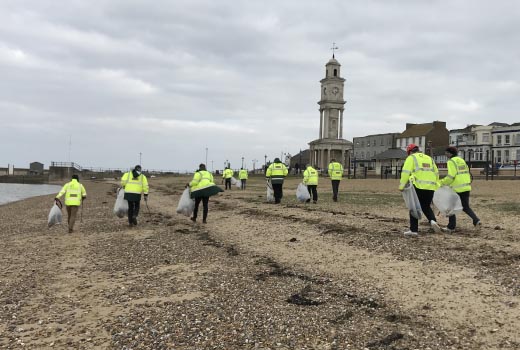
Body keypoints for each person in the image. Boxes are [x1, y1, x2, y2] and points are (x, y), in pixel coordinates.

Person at [399, 144, 442, 236]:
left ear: (409, 152)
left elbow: (405, 172)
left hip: (417, 186)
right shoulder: (429, 159)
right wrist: (437, 185)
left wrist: (402, 186)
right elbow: (436, 172)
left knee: (413, 207)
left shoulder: (411, 158)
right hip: (430, 187)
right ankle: (433, 221)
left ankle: (413, 230)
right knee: (426, 206)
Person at [440, 146, 481, 233]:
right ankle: (476, 220)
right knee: (466, 207)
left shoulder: (451, 162)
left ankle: (451, 227)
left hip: (456, 188)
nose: (445, 154)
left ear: (450, 153)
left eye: (446, 152)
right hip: (466, 186)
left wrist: (442, 182)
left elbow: (451, 176)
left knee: (450, 207)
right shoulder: (461, 160)